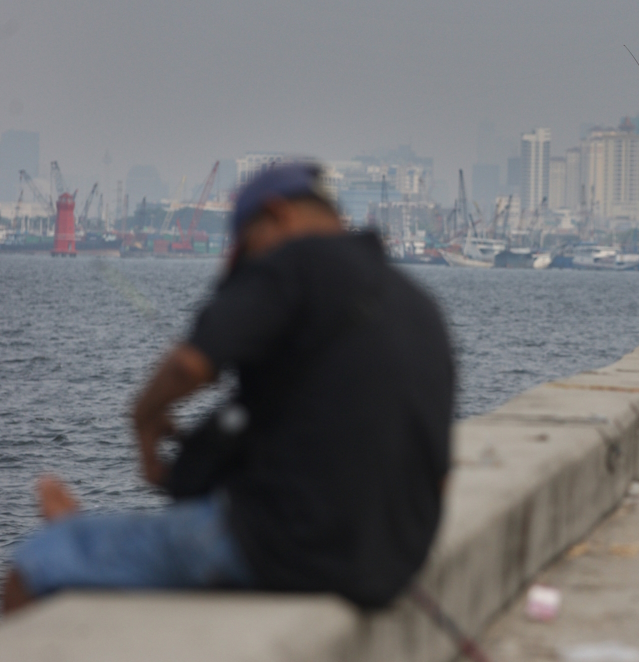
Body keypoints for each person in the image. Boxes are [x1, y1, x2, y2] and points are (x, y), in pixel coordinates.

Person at [4, 163, 454, 613]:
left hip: (289, 549)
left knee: (41, 559)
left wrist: (142, 421)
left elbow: (189, 365)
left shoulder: (294, 260)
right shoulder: (417, 303)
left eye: (245, 250)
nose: (247, 264)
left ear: (277, 216)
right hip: (392, 566)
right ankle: (96, 546)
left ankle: (76, 542)